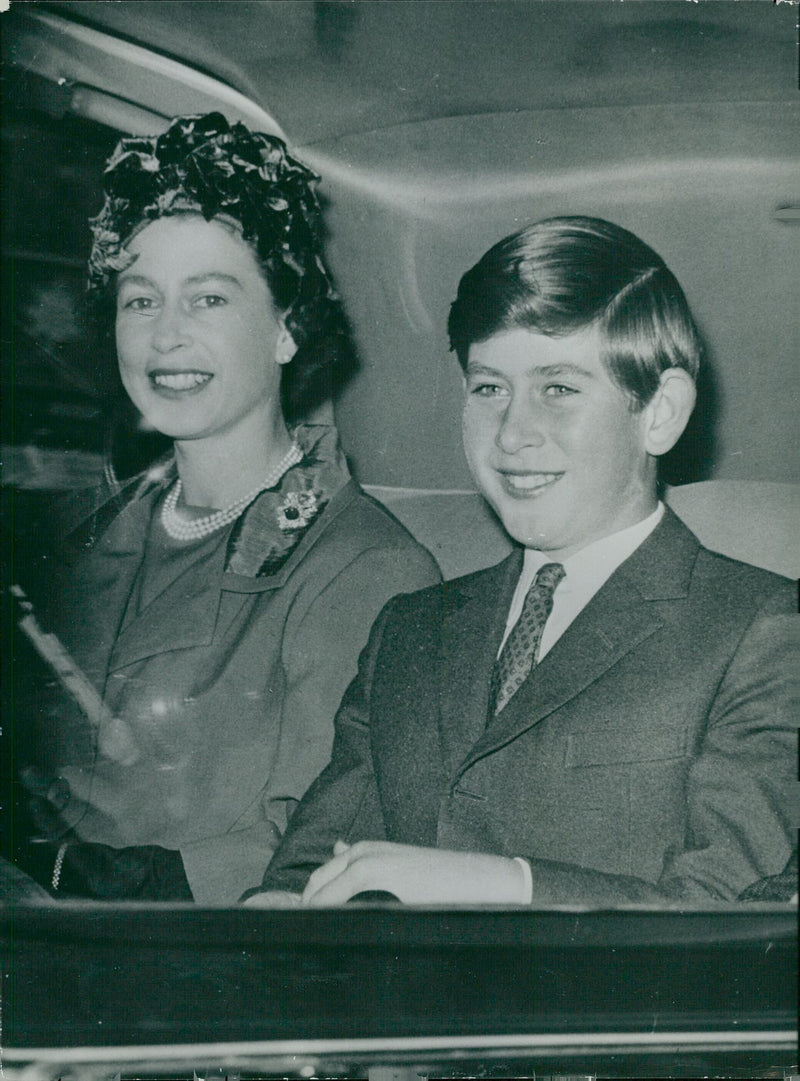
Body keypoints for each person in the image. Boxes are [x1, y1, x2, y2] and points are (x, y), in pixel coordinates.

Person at [245, 216, 798, 907]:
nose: (511, 432)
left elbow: (732, 914)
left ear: (660, 413)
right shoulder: (408, 632)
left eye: (558, 388)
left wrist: (504, 882)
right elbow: (305, 874)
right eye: (488, 388)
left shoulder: (763, 630)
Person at [6, 113, 439, 905]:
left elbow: (311, 846)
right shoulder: (82, 537)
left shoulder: (368, 568)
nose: (165, 336)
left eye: (208, 298)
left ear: (285, 327)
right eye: (141, 301)